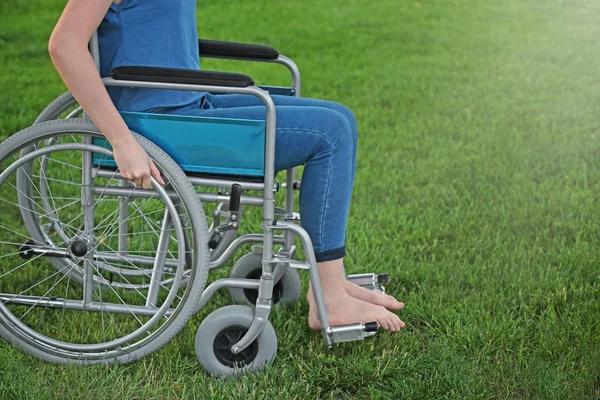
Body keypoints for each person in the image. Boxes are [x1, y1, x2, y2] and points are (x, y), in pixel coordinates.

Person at [48, 0, 406, 332]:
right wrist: (122, 141)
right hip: (160, 124)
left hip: (189, 105)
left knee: (339, 118)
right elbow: (64, 44)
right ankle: (330, 297)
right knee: (330, 135)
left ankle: (329, 280)